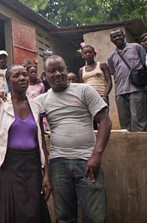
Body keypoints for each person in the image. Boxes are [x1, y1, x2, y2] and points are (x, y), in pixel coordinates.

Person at [36, 55, 112, 223]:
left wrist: (96, 155)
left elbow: (105, 122)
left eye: (60, 69)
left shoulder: (83, 90)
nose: (57, 74)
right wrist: (1, 98)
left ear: (66, 69)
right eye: (52, 71)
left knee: (95, 217)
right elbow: (18, 109)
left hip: (87, 161)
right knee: (64, 218)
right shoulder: (41, 101)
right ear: (45, 75)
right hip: (58, 164)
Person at [0, 65, 51, 223]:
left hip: (33, 168)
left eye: (24, 75)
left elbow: (42, 143)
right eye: (16, 76)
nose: (22, 78)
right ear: (8, 82)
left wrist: (46, 174)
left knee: (33, 213)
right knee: (7, 213)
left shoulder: (36, 107)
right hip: (8, 167)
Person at [107, 28, 147, 132]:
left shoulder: (136, 47)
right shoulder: (111, 56)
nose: (117, 38)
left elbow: (146, 66)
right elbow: (113, 72)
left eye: (119, 35)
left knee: (139, 121)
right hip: (120, 92)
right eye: (114, 37)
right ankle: (129, 147)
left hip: (137, 89)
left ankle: (141, 145)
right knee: (124, 123)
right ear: (111, 40)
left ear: (123, 36)